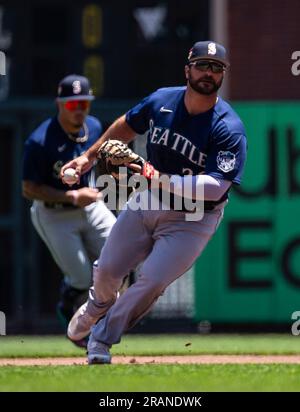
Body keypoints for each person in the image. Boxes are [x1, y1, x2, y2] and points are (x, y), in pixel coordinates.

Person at [61, 41, 247, 364]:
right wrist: (87, 160)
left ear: (223, 76)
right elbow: (126, 125)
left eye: (217, 68)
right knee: (106, 272)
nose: (209, 73)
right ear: (187, 69)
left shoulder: (228, 126)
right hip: (149, 200)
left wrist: (160, 177)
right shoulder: (162, 100)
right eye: (202, 65)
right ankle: (96, 306)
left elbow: (216, 187)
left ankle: (101, 340)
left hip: (193, 219)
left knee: (153, 281)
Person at [22, 74, 116, 345]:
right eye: (72, 104)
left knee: (122, 251)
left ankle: (108, 317)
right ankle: (69, 307)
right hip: (53, 213)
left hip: (90, 205)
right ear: (59, 104)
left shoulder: (95, 126)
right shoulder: (40, 141)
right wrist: (73, 196)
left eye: (83, 104)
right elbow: (28, 188)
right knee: (81, 276)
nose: (79, 110)